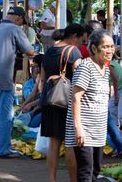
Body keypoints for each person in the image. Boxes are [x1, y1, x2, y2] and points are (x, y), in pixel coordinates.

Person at [0, 6, 34, 158]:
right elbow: (29, 51)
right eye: (22, 22)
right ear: (19, 19)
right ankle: (3, 149)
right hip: (2, 75)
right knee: (4, 115)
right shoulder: (15, 30)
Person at [65, 30, 114, 182]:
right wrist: (78, 128)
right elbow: (75, 97)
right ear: (94, 48)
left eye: (111, 46)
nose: (110, 50)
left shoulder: (105, 69)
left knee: (95, 171)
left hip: (98, 129)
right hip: (84, 130)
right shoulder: (86, 67)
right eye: (105, 47)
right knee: (86, 171)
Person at [41, 24, 85, 182]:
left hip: (49, 99)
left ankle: (52, 179)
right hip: (67, 101)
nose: (81, 43)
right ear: (74, 36)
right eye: (81, 39)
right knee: (70, 143)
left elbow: (42, 78)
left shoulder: (49, 51)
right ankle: (73, 180)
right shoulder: (73, 51)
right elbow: (79, 78)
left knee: (53, 142)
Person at [108, 59, 122, 158]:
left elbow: (115, 79)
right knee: (109, 111)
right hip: (120, 88)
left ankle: (121, 148)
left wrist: (116, 97)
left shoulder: (108, 63)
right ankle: (118, 145)